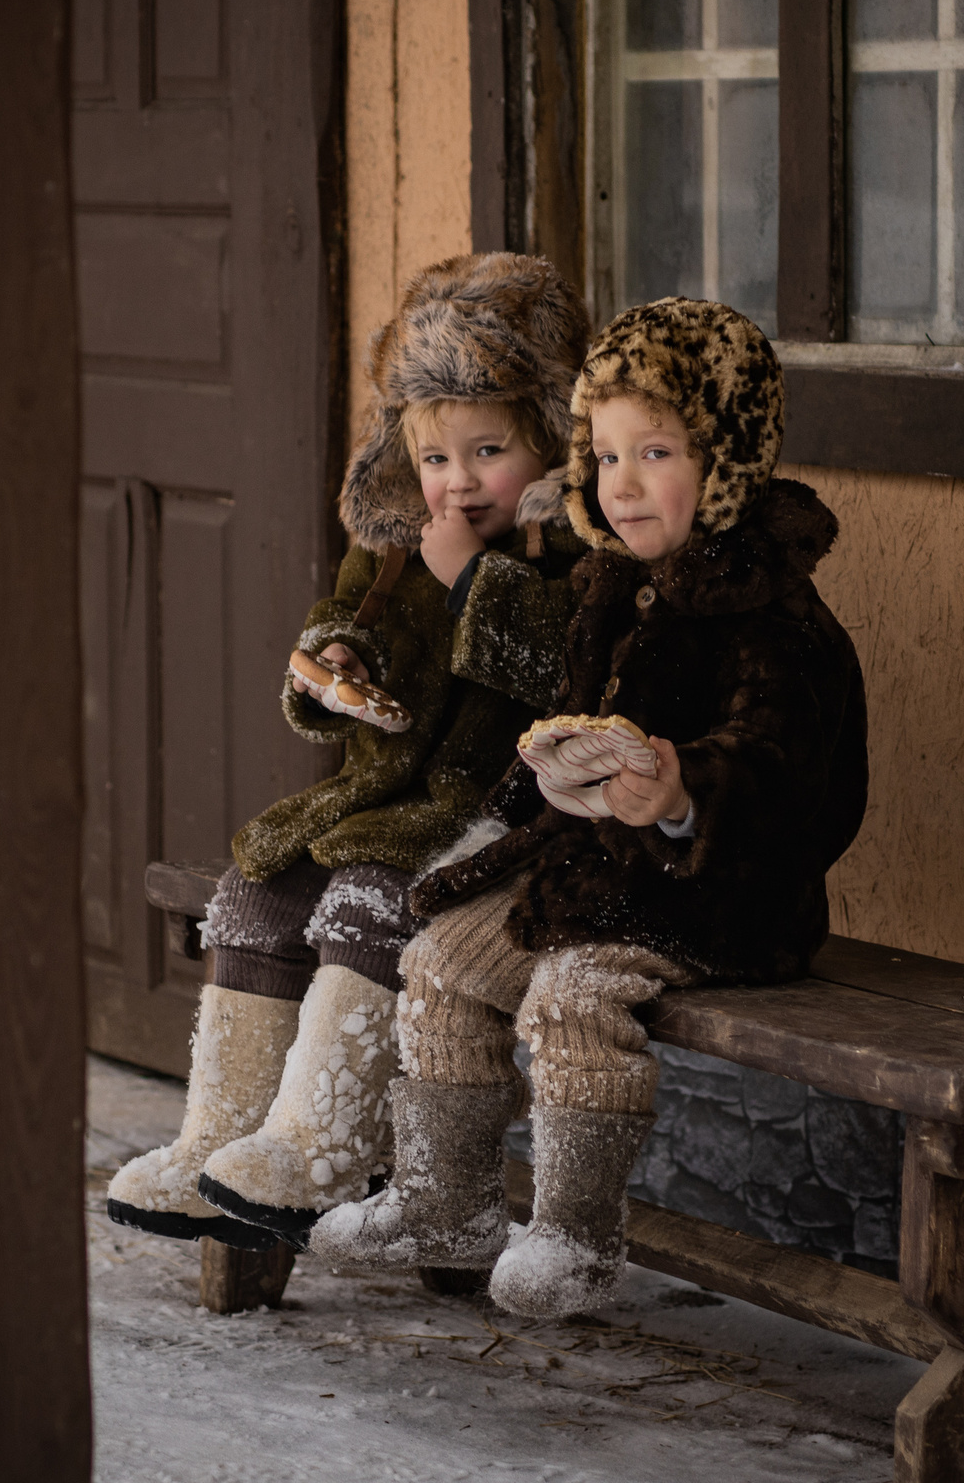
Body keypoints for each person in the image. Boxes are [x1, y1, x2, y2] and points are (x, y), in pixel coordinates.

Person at [311, 298, 869, 1317]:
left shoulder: (776, 621)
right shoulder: (615, 587)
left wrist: (680, 792)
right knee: (438, 962)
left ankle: (573, 1232)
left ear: (729, 457)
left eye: (654, 451)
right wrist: (516, 808)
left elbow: (791, 782)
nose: (622, 484)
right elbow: (563, 729)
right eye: (604, 457)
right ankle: (446, 1202)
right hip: (591, 869)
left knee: (571, 996)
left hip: (723, 896)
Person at [106, 252, 589, 1249]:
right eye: (434, 460)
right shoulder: (399, 543)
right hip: (397, 801)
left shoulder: (574, 555)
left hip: (509, 823)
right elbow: (355, 624)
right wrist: (335, 662)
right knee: (257, 888)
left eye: (488, 451)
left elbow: (564, 677)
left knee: (368, 900)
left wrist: (471, 584)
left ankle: (319, 1139)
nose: (456, 483)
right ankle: (220, 1139)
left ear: (549, 439)